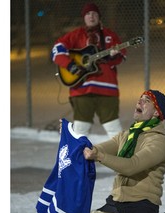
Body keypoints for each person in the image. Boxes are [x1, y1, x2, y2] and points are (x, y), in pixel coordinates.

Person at [51, 2, 126, 138]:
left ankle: (122, 159)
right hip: (81, 87)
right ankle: (80, 159)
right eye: (88, 14)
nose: (91, 16)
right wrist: (69, 65)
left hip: (107, 87)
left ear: (99, 16)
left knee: (114, 128)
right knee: (80, 129)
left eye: (94, 13)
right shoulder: (76, 35)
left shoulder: (110, 35)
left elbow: (121, 56)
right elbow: (57, 49)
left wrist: (113, 56)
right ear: (84, 17)